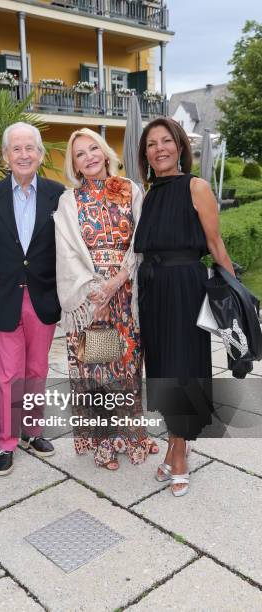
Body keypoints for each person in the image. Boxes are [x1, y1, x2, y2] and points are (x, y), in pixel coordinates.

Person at [135, 117, 235, 496]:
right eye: (151, 144)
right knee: (162, 370)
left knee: (182, 368)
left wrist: (234, 300)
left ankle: (178, 453)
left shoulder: (197, 187)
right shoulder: (149, 194)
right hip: (153, 290)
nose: (159, 149)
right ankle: (177, 444)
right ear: (145, 154)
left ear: (179, 147)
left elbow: (216, 245)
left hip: (185, 289)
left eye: (166, 141)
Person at [54, 127, 159, 470]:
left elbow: (140, 243)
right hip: (92, 301)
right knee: (99, 372)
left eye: (93, 149)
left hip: (126, 295)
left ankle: (133, 436)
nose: (89, 157)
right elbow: (67, 253)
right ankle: (104, 444)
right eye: (80, 154)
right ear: (75, 165)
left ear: (104, 151)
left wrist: (116, 281)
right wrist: (93, 291)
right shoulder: (70, 201)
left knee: (128, 368)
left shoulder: (130, 191)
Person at [0, 122, 65, 476]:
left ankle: (33, 431)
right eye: (17, 149)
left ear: (40, 154)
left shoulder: (58, 194)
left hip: (43, 295)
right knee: (9, 373)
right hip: (5, 296)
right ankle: (8, 440)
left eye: (30, 148)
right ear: (5, 156)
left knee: (37, 370)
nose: (24, 154)